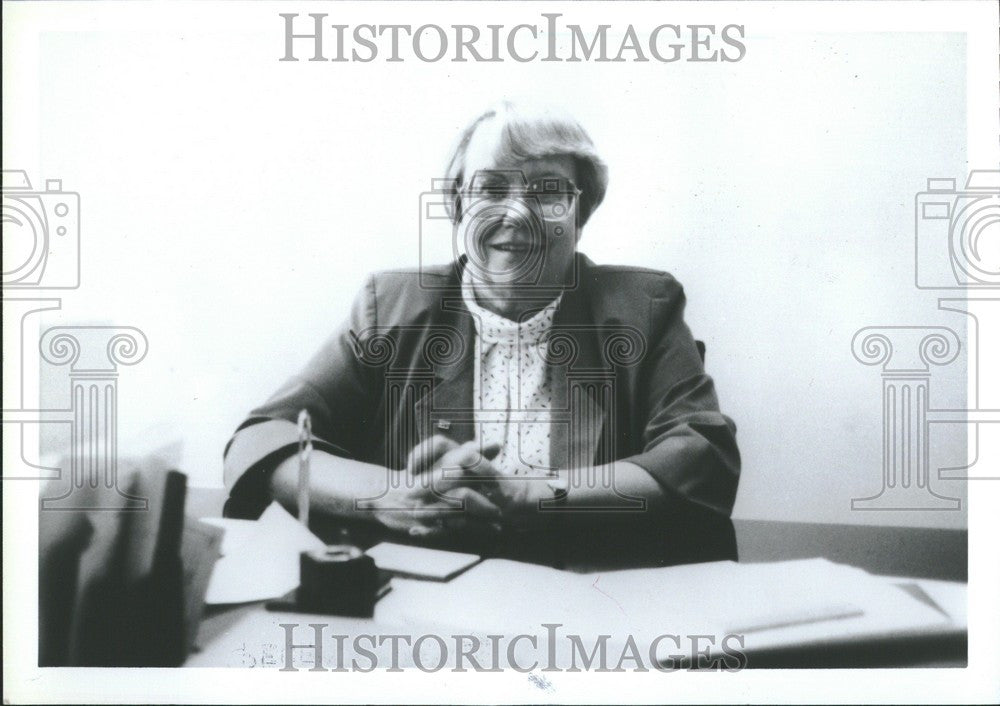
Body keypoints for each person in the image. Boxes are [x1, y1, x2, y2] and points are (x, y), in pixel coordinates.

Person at [223, 102, 740, 566]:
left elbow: (702, 460)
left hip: (590, 609)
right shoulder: (392, 307)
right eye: (492, 188)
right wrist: (391, 495)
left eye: (548, 191)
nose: (516, 212)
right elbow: (261, 442)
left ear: (580, 216)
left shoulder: (642, 309)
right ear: (458, 207)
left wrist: (532, 495)